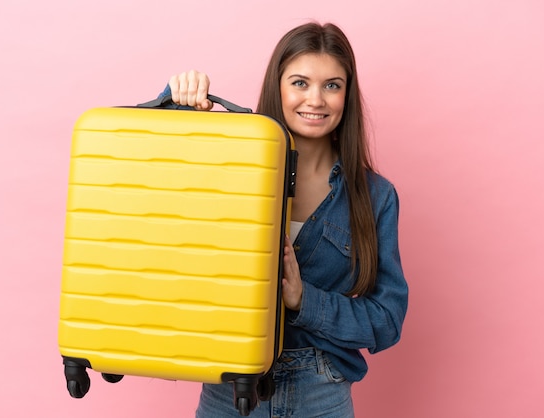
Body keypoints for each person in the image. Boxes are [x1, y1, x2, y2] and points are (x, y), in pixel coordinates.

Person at [160, 22, 408, 418]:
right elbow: (163, 198)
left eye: (332, 85)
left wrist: (304, 301)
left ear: (347, 95)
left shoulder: (376, 197)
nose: (316, 99)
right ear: (278, 87)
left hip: (322, 393)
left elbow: (387, 320)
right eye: (300, 82)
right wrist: (180, 106)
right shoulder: (231, 166)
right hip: (232, 387)